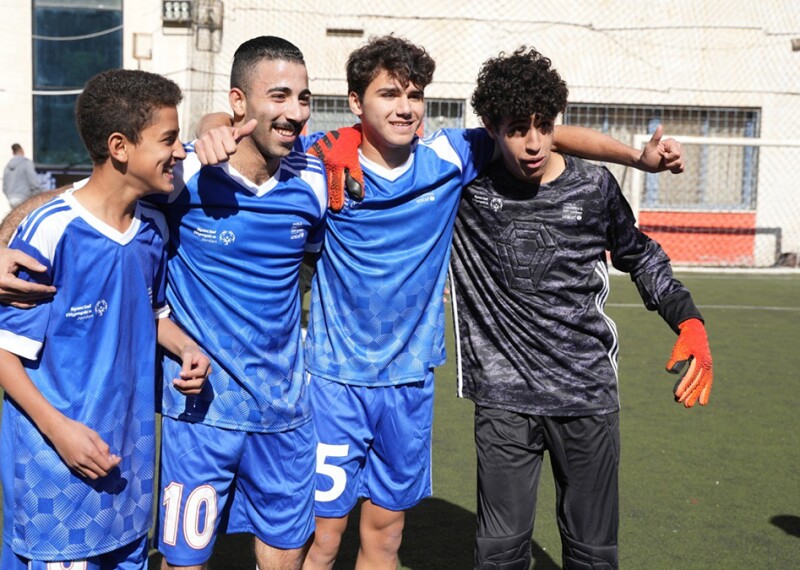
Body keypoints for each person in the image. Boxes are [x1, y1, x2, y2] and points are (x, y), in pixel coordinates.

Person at [190, 34, 687, 570]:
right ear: (357, 103)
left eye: (414, 94)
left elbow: (540, 128)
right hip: (336, 383)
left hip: (409, 385)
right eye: (388, 94)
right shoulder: (318, 163)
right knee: (323, 539)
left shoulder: (449, 158)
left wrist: (637, 158)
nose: (404, 107)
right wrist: (212, 124)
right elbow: (251, 131)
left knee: (384, 539)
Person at [0, 37, 327, 570]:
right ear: (240, 103)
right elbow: (80, 203)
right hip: (186, 424)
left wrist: (184, 344)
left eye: (305, 98)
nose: (296, 113)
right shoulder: (180, 182)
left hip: (265, 416)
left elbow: (150, 309)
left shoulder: (307, 180)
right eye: (281, 96)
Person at [450, 47, 713, 569]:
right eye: (516, 129)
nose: (532, 143)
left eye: (544, 127)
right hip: (504, 400)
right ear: (489, 126)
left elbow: (639, 254)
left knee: (593, 556)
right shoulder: (466, 181)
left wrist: (688, 319)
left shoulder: (594, 187)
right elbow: (386, 141)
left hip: (586, 393)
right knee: (499, 555)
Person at [0, 68, 210, 570]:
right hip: (55, 479)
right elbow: (5, 353)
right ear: (120, 146)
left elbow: (151, 312)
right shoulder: (51, 231)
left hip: (129, 479)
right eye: (168, 139)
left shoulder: (153, 230)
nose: (180, 152)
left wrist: (185, 347)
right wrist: (60, 431)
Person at [2, 144, 42, 209]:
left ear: (13, 153)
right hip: (24, 198)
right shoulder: (26, 163)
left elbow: (4, 187)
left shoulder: (7, 166)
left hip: (11, 199)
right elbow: (34, 182)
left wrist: (10, 196)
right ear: (22, 150)